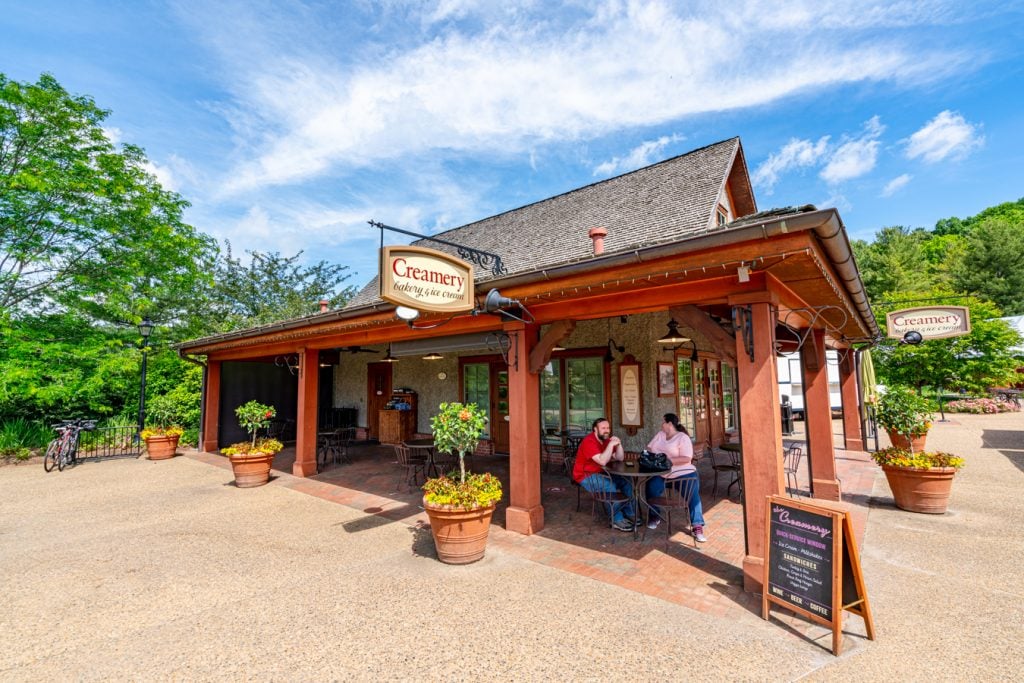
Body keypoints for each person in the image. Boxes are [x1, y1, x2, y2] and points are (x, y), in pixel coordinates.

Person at [644, 413, 707, 542]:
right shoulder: (660, 435)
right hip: (662, 473)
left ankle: (697, 526)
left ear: (670, 424)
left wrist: (666, 460)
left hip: (683, 474)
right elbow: (649, 448)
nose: (661, 424)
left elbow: (686, 458)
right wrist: (652, 457)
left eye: (663, 422)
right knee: (651, 488)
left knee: (692, 495)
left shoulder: (682, 438)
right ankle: (654, 516)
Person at [572, 417, 636, 531]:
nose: (606, 430)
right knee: (609, 486)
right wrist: (611, 446)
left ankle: (630, 513)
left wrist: (619, 444)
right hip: (585, 475)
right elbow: (602, 461)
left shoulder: (606, 440)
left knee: (626, 481)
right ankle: (616, 519)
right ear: (595, 430)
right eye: (603, 428)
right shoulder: (589, 441)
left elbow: (619, 458)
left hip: (601, 472)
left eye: (608, 428)